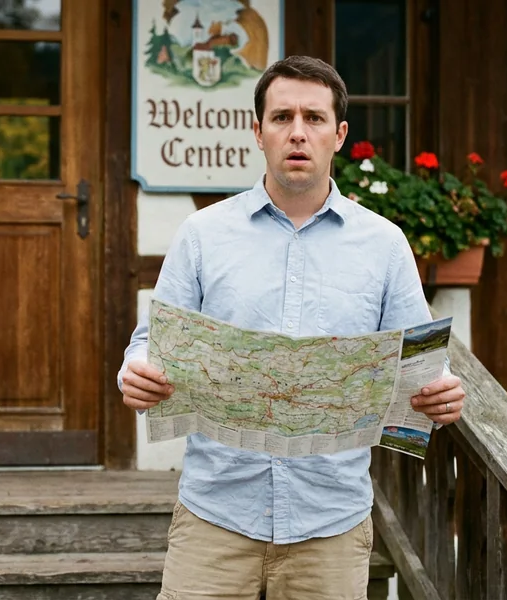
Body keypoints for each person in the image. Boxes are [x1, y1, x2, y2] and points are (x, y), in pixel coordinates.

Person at [117, 55, 466, 600]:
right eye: (281, 118)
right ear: (257, 132)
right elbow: (149, 346)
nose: (297, 133)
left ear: (339, 134)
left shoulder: (385, 245)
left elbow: (422, 362)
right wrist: (135, 374)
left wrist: (441, 393)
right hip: (215, 516)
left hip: (330, 521)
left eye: (314, 118)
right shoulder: (203, 235)